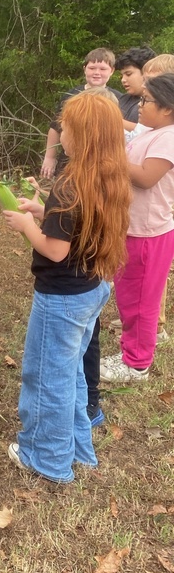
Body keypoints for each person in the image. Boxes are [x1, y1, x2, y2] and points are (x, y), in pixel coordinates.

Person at [3, 92, 130, 483]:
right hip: (92, 289)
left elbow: (55, 250)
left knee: (46, 378)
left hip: (61, 299)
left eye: (66, 127)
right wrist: (43, 212)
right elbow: (78, 226)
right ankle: (79, 448)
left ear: (84, 135)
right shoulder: (107, 176)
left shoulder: (70, 182)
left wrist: (28, 227)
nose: (60, 133)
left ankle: (47, 459)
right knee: (71, 373)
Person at [100, 73, 174, 383]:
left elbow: (145, 177)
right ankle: (132, 350)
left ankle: (137, 363)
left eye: (147, 101)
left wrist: (108, 159)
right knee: (130, 296)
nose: (140, 106)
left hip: (149, 233)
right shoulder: (152, 133)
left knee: (143, 300)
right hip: (133, 228)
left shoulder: (169, 137)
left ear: (168, 108)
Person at [40, 48, 118, 179]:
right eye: (92, 68)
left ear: (112, 71)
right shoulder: (71, 95)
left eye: (103, 69)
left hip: (100, 164)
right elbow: (55, 127)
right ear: (84, 69)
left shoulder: (117, 99)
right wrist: (49, 157)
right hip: (68, 160)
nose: (97, 73)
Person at [116, 47, 157, 125]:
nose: (123, 80)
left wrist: (111, 121)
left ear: (146, 72)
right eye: (122, 75)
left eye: (128, 74)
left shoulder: (159, 104)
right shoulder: (123, 99)